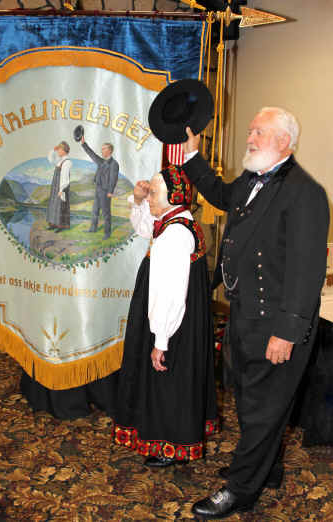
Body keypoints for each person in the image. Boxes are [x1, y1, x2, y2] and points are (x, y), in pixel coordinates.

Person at [181, 107, 329, 519]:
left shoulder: (306, 193)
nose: (249, 138)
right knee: (249, 401)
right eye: (250, 131)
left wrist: (287, 331)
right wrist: (193, 156)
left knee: (263, 408)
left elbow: (306, 271)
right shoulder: (251, 179)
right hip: (245, 314)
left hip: (277, 324)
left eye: (258, 132)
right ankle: (268, 469)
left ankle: (242, 489)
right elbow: (222, 195)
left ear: (284, 141)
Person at [113, 166, 218, 467]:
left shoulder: (174, 235)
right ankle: (175, 440)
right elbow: (145, 228)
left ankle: (170, 445)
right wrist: (137, 199)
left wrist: (160, 338)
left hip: (172, 322)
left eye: (154, 194)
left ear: (174, 197)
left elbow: (170, 291)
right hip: (179, 319)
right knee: (175, 379)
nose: (150, 198)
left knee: (167, 377)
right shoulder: (176, 221)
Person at [80, 137, 119, 240]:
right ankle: (93, 229)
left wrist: (110, 191)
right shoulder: (101, 161)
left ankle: (107, 233)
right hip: (98, 189)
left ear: (110, 150)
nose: (102, 151)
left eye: (104, 149)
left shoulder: (114, 164)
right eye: (102, 149)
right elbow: (92, 154)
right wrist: (84, 144)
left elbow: (113, 179)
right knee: (95, 210)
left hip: (106, 191)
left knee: (106, 213)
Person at [46, 141, 72, 232]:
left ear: (64, 150)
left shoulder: (67, 162)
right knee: (54, 204)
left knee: (60, 205)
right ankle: (53, 224)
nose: (58, 151)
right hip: (56, 185)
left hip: (61, 185)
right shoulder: (59, 160)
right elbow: (50, 159)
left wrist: (61, 189)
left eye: (59, 149)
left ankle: (61, 226)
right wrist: (53, 150)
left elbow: (65, 177)